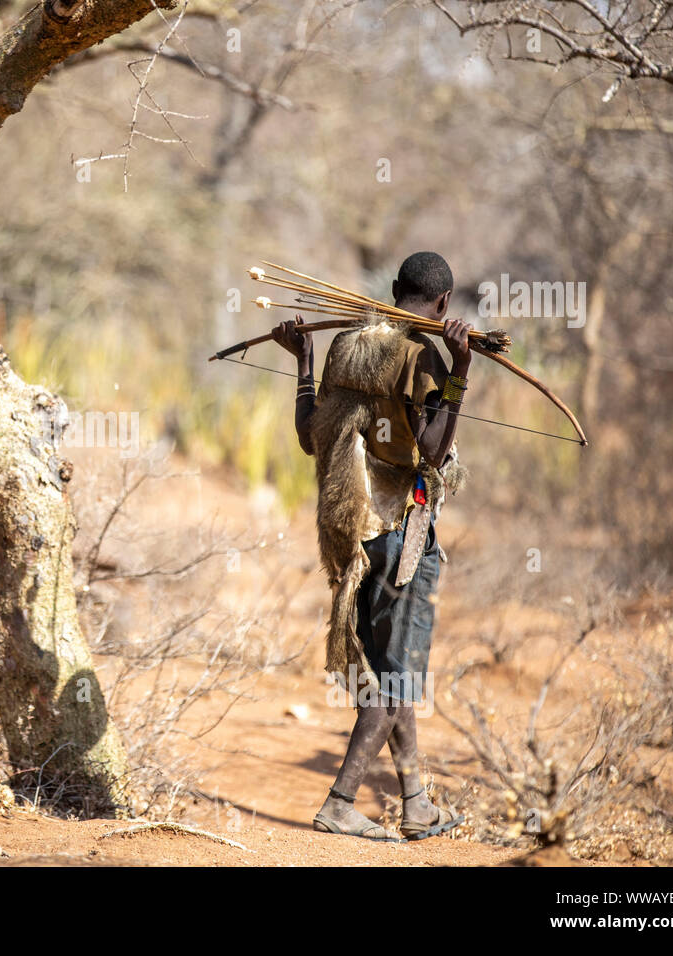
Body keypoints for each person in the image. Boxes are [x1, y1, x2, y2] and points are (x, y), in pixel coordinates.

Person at [272, 251, 470, 841]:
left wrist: (304, 362)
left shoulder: (348, 347)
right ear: (442, 306)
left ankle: (416, 804)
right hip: (404, 531)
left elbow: (314, 438)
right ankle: (340, 801)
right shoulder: (422, 356)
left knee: (390, 669)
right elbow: (432, 453)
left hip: (358, 531)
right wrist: (460, 373)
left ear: (392, 290)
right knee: (398, 679)